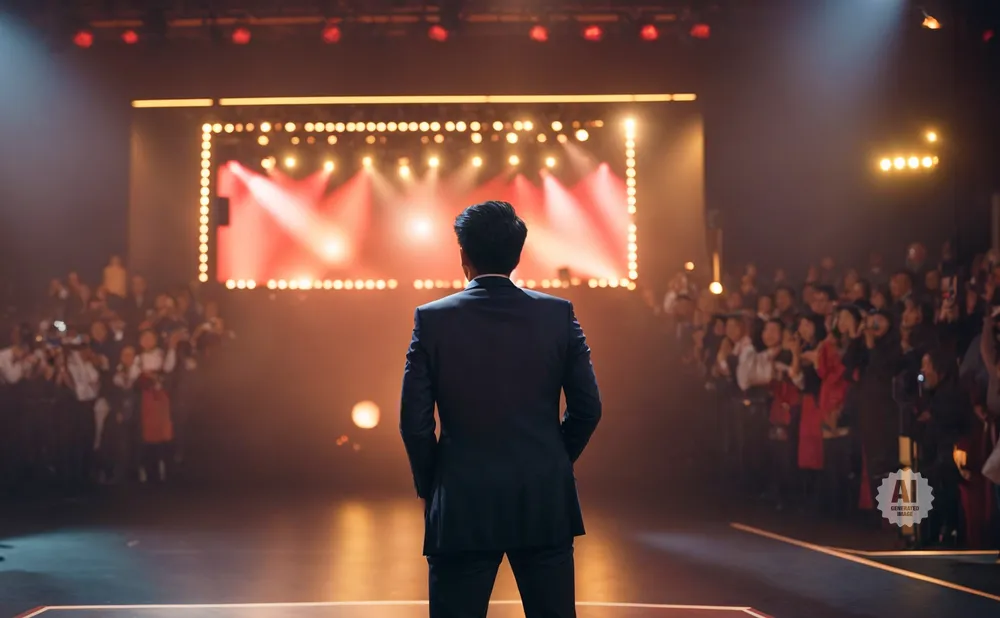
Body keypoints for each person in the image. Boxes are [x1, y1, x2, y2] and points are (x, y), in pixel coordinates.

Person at [400, 200, 602, 618]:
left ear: (463, 256)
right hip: (543, 496)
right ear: (517, 254)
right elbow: (588, 408)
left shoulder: (432, 319)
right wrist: (553, 458)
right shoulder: (558, 314)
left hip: (461, 499)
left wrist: (432, 483)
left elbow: (415, 425)